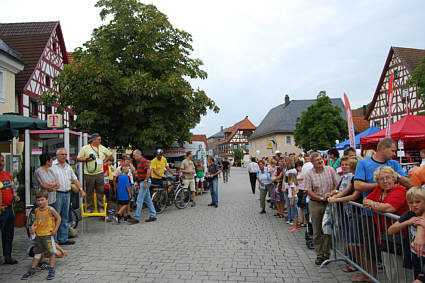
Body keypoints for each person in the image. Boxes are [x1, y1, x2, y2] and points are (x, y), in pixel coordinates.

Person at [353, 138, 411, 282]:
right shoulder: (364, 163)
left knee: (392, 250)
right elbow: (358, 186)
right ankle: (370, 276)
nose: (394, 153)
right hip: (369, 214)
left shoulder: (394, 164)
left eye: (388, 178)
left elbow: (409, 184)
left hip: (390, 218)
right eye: (392, 150)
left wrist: (389, 181)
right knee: (372, 246)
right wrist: (379, 185)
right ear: (383, 148)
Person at [363, 166, 409, 282]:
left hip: (399, 237)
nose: (385, 181)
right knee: (390, 268)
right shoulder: (379, 189)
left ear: (394, 178)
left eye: (388, 178)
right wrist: (377, 206)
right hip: (385, 237)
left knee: (399, 270)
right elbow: (365, 200)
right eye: (381, 179)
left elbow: (389, 208)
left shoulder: (399, 190)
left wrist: (373, 205)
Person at [303, 152, 340, 265]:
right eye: (317, 160)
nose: (320, 161)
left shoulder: (330, 170)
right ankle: (319, 254)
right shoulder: (309, 174)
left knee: (328, 230)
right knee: (317, 230)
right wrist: (320, 197)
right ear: (312, 163)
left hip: (329, 202)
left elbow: (337, 183)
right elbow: (308, 191)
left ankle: (326, 253)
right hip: (316, 203)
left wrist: (332, 192)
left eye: (320, 159)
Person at [328, 156, 362, 274]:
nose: (344, 166)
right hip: (348, 211)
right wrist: (335, 196)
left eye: (347, 165)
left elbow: (353, 196)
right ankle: (352, 262)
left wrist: (336, 199)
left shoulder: (356, 177)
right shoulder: (351, 178)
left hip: (356, 212)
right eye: (342, 164)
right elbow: (346, 190)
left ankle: (358, 264)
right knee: (350, 240)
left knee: (354, 242)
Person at [21, 190, 61, 280]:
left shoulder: (50, 209)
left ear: (47, 199)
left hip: (48, 235)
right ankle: (33, 268)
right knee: (37, 252)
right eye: (38, 200)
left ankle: (51, 269)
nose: (40, 202)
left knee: (51, 252)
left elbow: (59, 218)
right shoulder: (36, 210)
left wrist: (55, 230)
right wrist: (33, 226)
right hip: (38, 236)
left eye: (42, 200)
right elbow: (36, 220)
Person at [388, 187, 425, 283]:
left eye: (418, 202)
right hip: (415, 256)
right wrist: (407, 222)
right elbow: (390, 230)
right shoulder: (409, 214)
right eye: (411, 203)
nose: (414, 205)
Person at [50, 148, 85, 246]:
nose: (64, 156)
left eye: (65, 154)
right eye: (62, 154)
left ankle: (63, 238)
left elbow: (75, 179)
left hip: (67, 194)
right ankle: (55, 240)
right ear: (57, 155)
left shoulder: (68, 167)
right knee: (56, 217)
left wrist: (81, 190)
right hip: (57, 193)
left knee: (65, 217)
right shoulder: (52, 166)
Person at [77, 133, 112, 213]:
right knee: (89, 191)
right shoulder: (85, 148)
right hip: (89, 173)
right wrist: (87, 159)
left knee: (100, 190)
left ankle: (101, 207)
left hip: (100, 173)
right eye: (99, 139)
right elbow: (78, 159)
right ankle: (90, 208)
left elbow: (109, 155)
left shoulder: (102, 147)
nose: (100, 141)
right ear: (93, 140)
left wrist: (104, 161)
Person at [127, 149, 157, 224]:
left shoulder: (143, 161)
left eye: (134, 155)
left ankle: (136, 218)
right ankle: (153, 215)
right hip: (143, 181)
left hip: (144, 181)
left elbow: (148, 171)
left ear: (138, 154)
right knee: (148, 200)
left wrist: (145, 182)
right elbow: (140, 173)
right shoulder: (139, 161)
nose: (133, 156)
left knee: (139, 200)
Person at [0, 154, 18, 265]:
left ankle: (8, 256)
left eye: (2, 161)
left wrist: (15, 196)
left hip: (9, 208)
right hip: (1, 209)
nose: (1, 163)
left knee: (9, 234)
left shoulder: (7, 174)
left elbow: (12, 188)